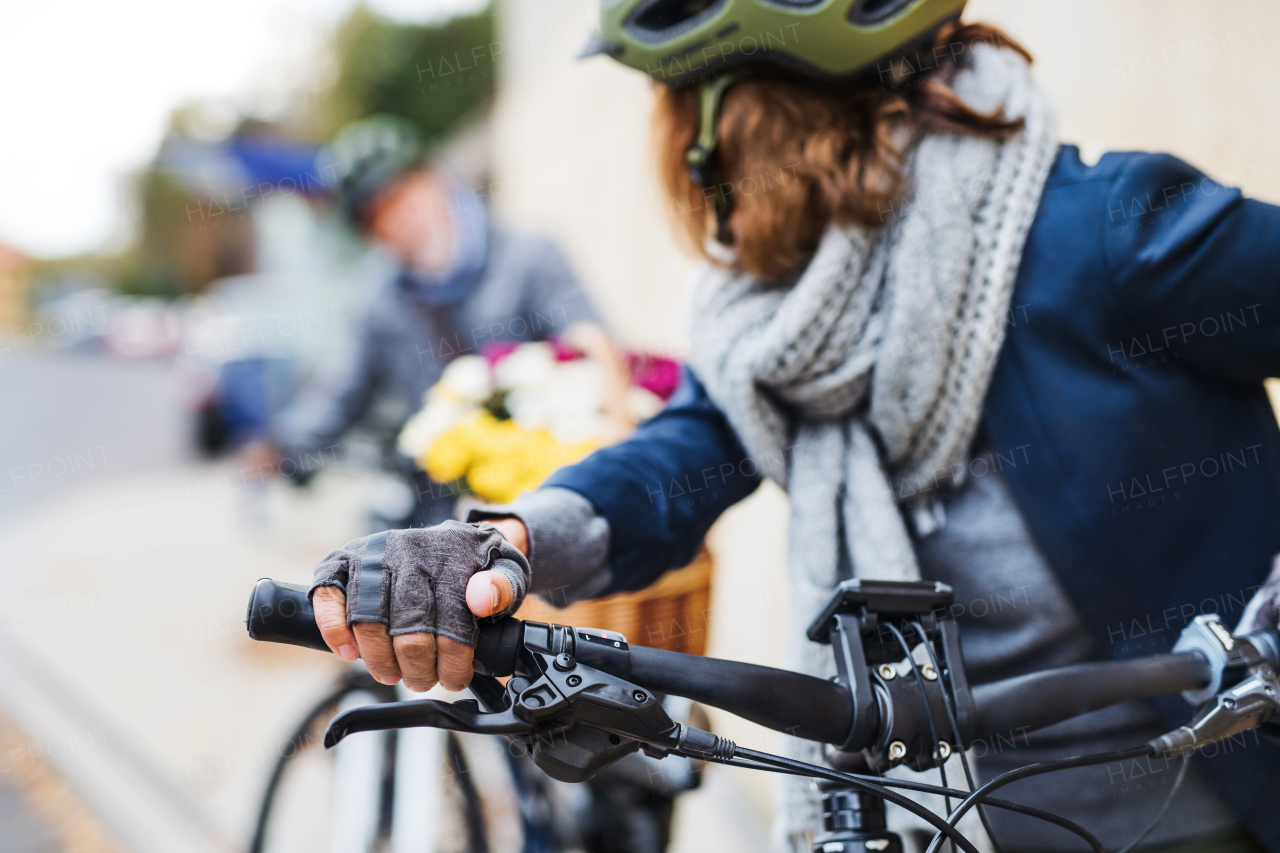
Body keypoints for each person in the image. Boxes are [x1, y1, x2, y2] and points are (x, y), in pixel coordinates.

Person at [304, 3, 1280, 851]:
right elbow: (682, 451)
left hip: (1192, 814)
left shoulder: (1100, 230)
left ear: (737, 120)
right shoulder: (774, 323)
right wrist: (502, 542)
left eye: (669, 105)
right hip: (929, 816)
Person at [263, 115, 621, 527]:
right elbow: (343, 390)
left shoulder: (529, 256)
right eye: (377, 216)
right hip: (438, 497)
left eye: (403, 195)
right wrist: (281, 443)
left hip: (544, 486)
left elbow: (592, 342)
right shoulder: (378, 299)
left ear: (436, 177)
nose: (399, 219)